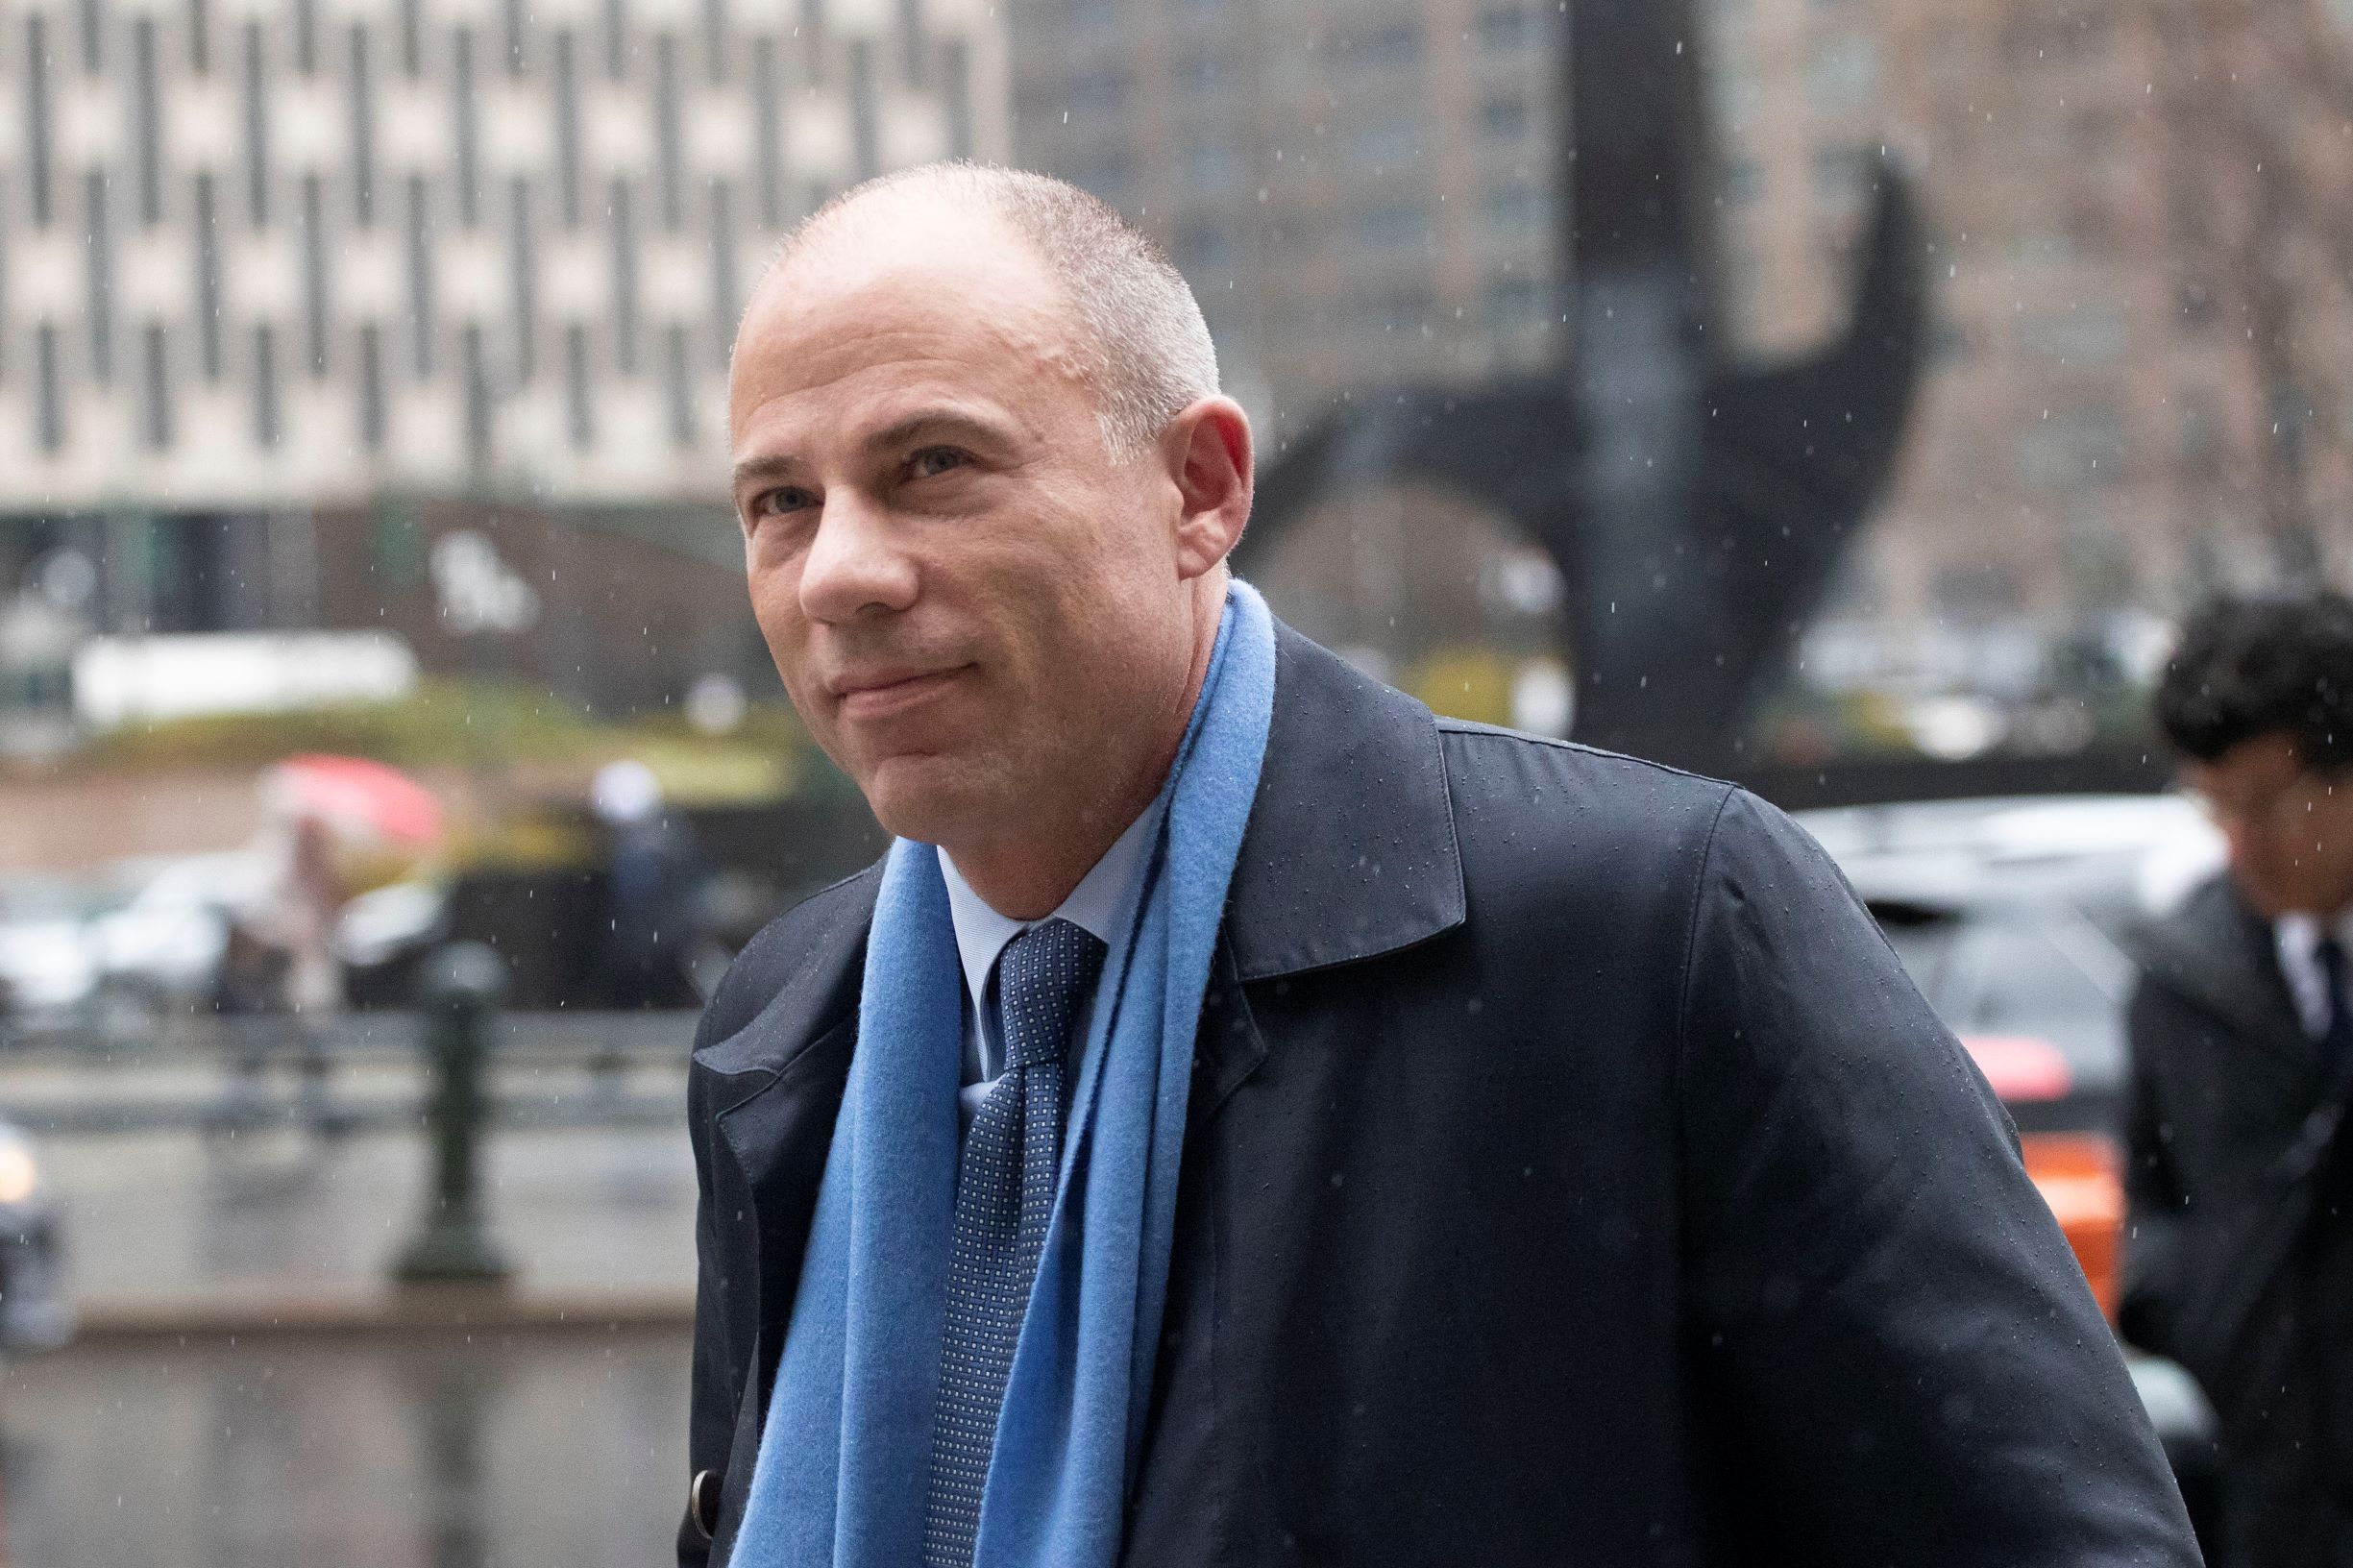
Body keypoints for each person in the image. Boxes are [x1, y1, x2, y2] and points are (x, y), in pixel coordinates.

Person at [680, 161, 2195, 1568]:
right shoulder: (786, 1022)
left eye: (934, 465)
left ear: (1200, 489)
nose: (842, 574)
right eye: (780, 504)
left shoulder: (1645, 934)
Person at [2124, 591, 2353, 1568]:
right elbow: (2153, 1206)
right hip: (2275, 1501)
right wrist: (2208, 1321)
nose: (2237, 842)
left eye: (2263, 805)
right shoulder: (2185, 977)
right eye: (2213, 806)